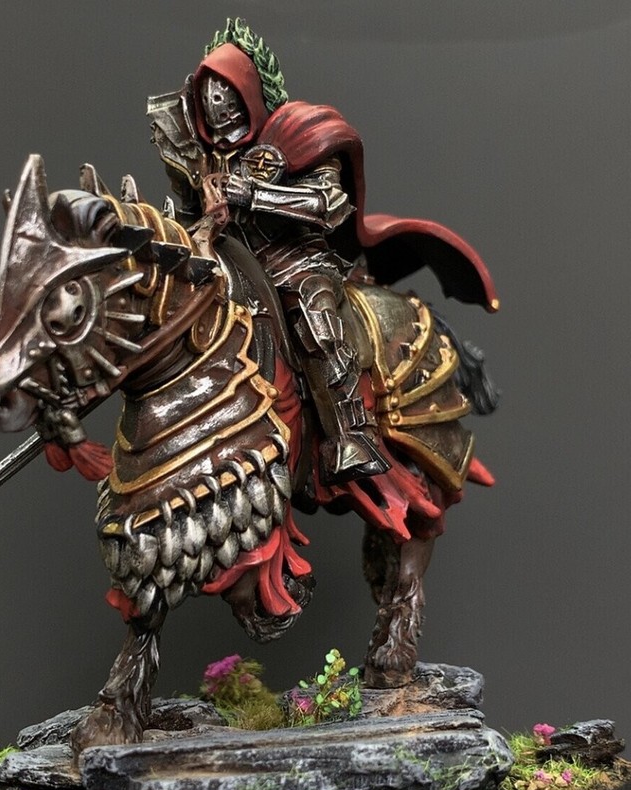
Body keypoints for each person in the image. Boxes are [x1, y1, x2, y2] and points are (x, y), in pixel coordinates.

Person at [147, 19, 496, 483]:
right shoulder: (200, 154)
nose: (217, 104)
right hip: (230, 262)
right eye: (209, 94)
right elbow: (190, 212)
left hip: (296, 260)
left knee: (316, 320)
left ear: (249, 94)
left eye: (226, 92)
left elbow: (327, 204)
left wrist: (254, 194)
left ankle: (352, 434)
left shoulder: (297, 134)